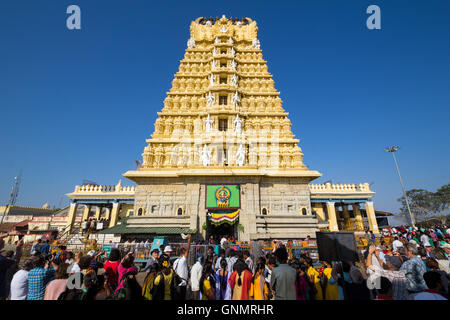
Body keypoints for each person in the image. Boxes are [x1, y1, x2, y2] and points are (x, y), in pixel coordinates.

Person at [172, 234, 191, 300]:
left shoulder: (175, 261)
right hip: (182, 284)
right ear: (182, 253)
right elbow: (188, 250)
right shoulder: (183, 260)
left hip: (176, 284)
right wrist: (189, 240)